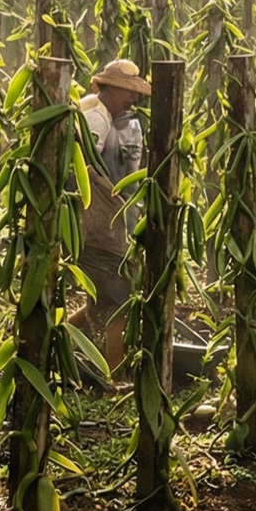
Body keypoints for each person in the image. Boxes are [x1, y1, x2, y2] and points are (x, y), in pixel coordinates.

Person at [71, 58, 149, 372]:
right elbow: (83, 166)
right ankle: (114, 379)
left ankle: (58, 338)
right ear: (111, 89)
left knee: (103, 296)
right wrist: (111, 193)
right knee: (119, 302)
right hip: (97, 227)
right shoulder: (96, 119)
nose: (134, 98)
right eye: (128, 91)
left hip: (108, 224)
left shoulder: (116, 121)